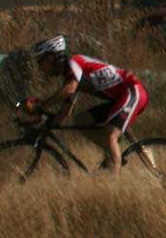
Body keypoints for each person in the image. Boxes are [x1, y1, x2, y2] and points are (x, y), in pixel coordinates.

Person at [24, 35, 148, 176]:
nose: (39, 67)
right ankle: (113, 155)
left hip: (132, 91)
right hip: (120, 98)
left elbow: (69, 89)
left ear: (51, 57)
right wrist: (42, 124)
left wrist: (42, 106)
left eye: (40, 61)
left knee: (109, 135)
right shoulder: (72, 77)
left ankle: (113, 182)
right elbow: (64, 113)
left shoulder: (74, 62)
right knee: (82, 120)